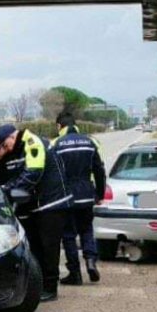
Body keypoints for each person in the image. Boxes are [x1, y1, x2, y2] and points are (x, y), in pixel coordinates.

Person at [0, 123, 72, 302]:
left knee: (49, 248)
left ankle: (51, 288)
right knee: (40, 246)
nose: (7, 149)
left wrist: (8, 191)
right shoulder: (23, 146)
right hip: (43, 204)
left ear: (12, 137)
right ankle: (44, 285)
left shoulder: (32, 142)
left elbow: (33, 172)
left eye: (6, 145)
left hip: (52, 204)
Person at [52, 112, 106, 285]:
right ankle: (90, 261)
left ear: (59, 126)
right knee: (86, 230)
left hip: (67, 196)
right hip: (86, 194)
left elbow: (53, 174)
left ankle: (74, 273)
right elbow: (99, 170)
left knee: (68, 235)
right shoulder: (90, 142)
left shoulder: (57, 144)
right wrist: (100, 194)